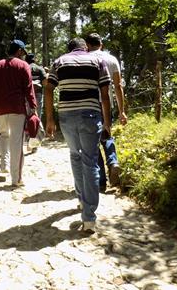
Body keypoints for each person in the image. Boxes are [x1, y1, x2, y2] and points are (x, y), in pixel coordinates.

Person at [44, 37, 111, 233]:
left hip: (66, 116)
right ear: (85, 48)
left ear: (69, 49)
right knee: (90, 161)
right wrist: (107, 122)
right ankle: (89, 218)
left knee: (75, 155)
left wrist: (50, 119)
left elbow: (48, 89)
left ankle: (82, 200)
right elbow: (105, 95)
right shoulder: (98, 61)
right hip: (90, 114)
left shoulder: (59, 61)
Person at [0, 39, 37, 187]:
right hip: (17, 108)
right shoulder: (23, 65)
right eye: (23, 52)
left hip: (0, 108)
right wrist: (33, 108)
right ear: (19, 51)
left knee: (3, 135)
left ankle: (4, 164)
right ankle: (16, 179)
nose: (23, 55)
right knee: (16, 142)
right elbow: (29, 89)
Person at [85, 33, 128, 191]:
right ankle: (113, 161)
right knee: (107, 134)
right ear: (101, 44)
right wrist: (122, 111)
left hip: (90, 104)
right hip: (106, 103)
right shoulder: (112, 59)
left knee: (93, 142)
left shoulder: (85, 60)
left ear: (87, 45)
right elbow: (118, 86)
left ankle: (101, 181)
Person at [25, 53, 47, 152]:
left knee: (27, 118)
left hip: (26, 96)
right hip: (37, 95)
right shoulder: (39, 69)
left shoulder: (24, 68)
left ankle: (29, 141)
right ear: (34, 60)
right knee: (36, 118)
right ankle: (35, 145)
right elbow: (45, 83)